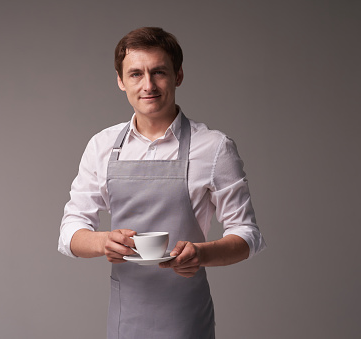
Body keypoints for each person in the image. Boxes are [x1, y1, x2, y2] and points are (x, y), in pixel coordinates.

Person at [58, 27, 266, 339]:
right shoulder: (101, 146)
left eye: (159, 72)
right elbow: (70, 231)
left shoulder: (214, 147)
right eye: (135, 74)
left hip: (186, 317)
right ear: (120, 80)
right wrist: (104, 242)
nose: (148, 85)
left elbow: (247, 235)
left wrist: (201, 254)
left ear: (178, 75)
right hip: (125, 316)